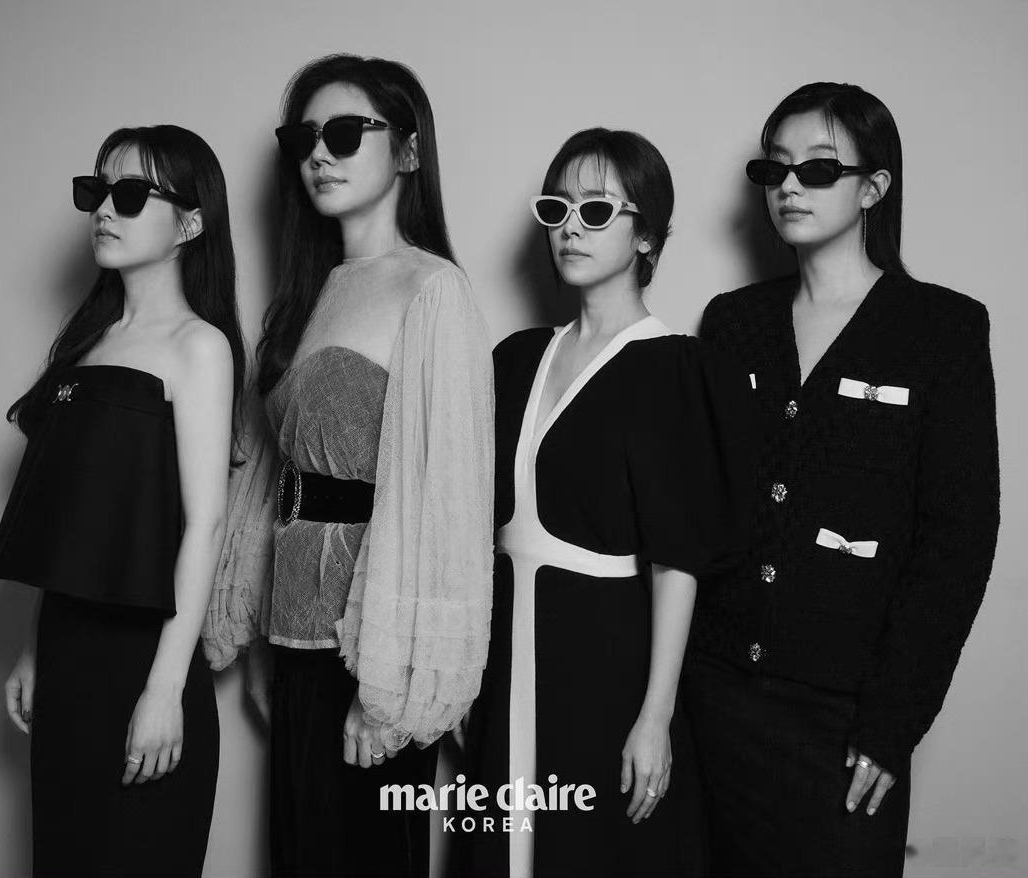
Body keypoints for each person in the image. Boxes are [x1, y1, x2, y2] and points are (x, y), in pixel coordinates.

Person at [686, 81, 1001, 878]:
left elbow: (959, 540)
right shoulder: (733, 322)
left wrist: (893, 723)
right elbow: (695, 508)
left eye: (819, 168)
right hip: (713, 698)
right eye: (776, 168)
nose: (789, 185)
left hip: (844, 715)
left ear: (873, 187)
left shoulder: (943, 329)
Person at [202, 54, 494, 877]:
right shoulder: (309, 290)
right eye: (302, 139)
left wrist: (390, 690)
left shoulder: (433, 290)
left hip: (374, 651)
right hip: (295, 640)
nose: (319, 156)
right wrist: (263, 639)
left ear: (408, 149)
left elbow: (446, 503)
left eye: (342, 133)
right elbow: (274, 484)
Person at [461, 128, 755, 878]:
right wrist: (459, 679)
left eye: (596, 211)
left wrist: (655, 716)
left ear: (647, 235)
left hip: (605, 662)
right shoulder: (516, 358)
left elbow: (678, 560)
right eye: (557, 208)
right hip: (503, 654)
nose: (570, 228)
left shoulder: (674, 367)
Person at [0, 124, 243, 877]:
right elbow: (70, 525)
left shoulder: (199, 347)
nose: (104, 208)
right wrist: (35, 646)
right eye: (96, 191)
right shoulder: (85, 345)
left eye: (130, 194)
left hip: (148, 656)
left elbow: (205, 524)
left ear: (190, 224)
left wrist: (166, 689)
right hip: (67, 654)